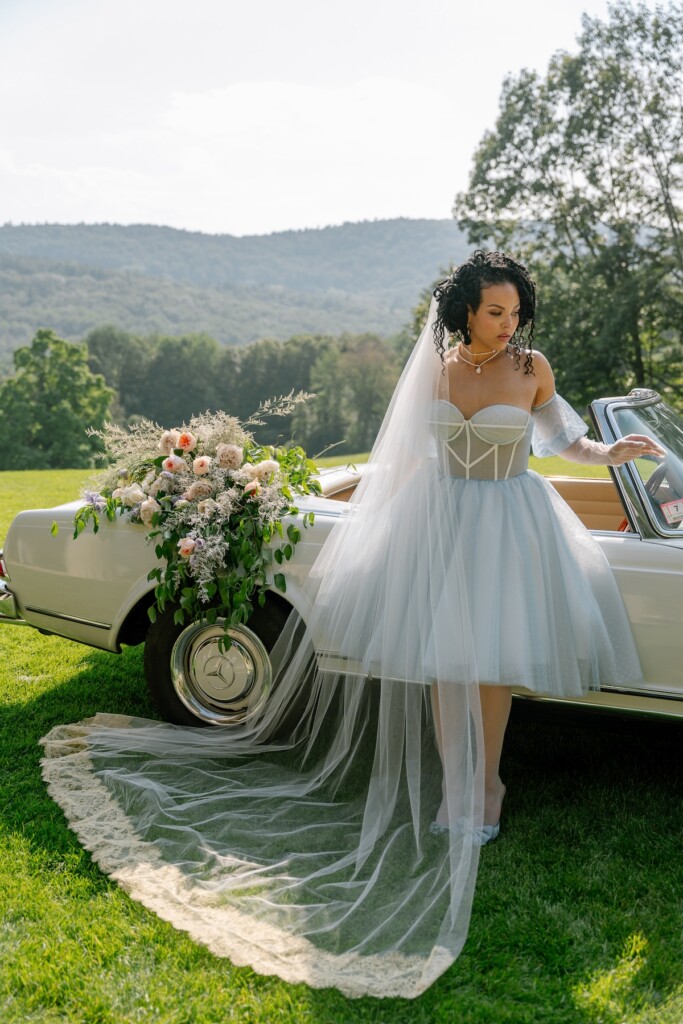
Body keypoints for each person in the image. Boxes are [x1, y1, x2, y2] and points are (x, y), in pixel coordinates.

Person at [40, 250, 662, 1000]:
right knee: (441, 662)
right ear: (464, 309)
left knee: (491, 660)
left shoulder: (530, 369)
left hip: (506, 522)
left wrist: (611, 451)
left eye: (514, 312)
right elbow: (402, 455)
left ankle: (487, 787)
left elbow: (564, 441)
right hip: (434, 522)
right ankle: (451, 788)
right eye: (493, 311)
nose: (506, 324)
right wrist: (376, 523)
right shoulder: (433, 369)